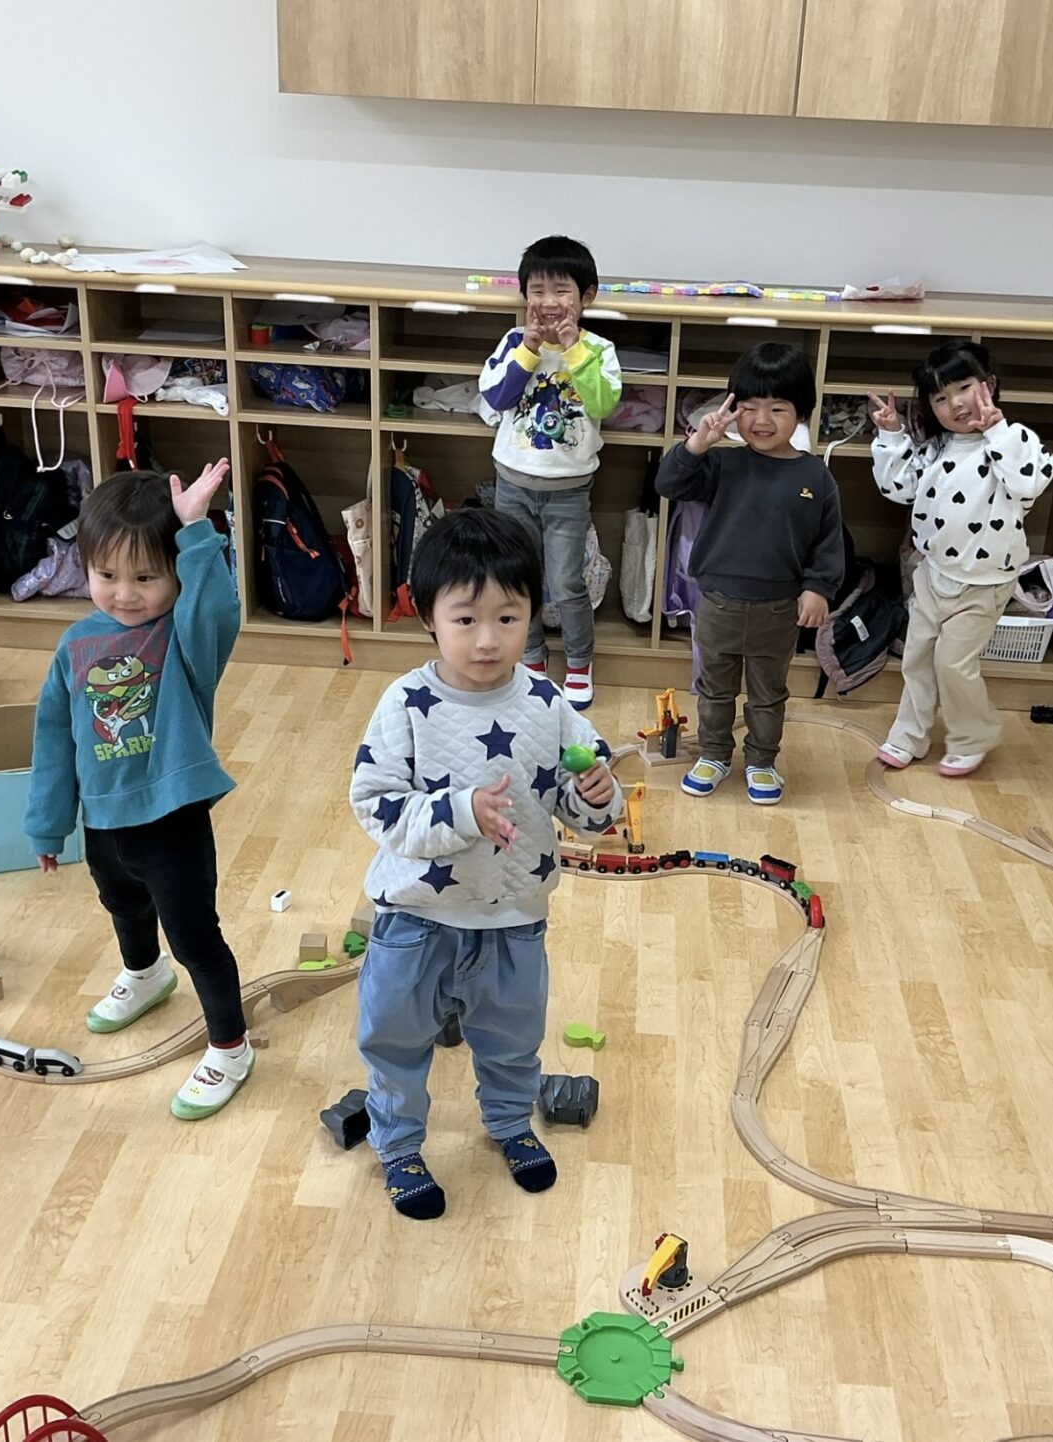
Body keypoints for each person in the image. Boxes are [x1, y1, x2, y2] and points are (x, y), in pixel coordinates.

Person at [349, 508, 619, 1220]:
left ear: (533, 613)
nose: (489, 638)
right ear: (428, 618)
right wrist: (462, 812)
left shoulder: (548, 703)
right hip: (417, 919)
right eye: (466, 619)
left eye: (508, 617)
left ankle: (508, 1124)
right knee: (395, 1039)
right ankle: (398, 1146)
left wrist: (597, 797)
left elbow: (580, 799)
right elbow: (376, 806)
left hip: (513, 918)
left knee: (512, 1041)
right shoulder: (406, 703)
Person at [24, 462, 252, 1120]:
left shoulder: (184, 636)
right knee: (121, 903)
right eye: (108, 575)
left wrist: (196, 531)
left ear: (175, 574)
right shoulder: (74, 644)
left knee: (196, 939)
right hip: (103, 821)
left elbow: (218, 608)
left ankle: (231, 1047)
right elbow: (53, 739)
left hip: (171, 819)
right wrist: (47, 823)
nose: (125, 594)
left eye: (147, 577)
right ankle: (146, 974)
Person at [654, 342, 844, 806]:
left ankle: (761, 760)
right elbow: (669, 483)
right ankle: (714, 753)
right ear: (733, 409)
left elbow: (828, 541)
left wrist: (818, 588)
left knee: (767, 692)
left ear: (801, 414)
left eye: (777, 408)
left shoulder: (816, 477)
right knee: (714, 688)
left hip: (778, 608)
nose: (762, 419)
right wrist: (697, 445)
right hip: (718, 601)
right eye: (750, 407)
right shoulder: (722, 462)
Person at [870, 339, 1053, 777]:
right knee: (917, 657)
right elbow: (898, 488)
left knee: (952, 663)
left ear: (989, 384)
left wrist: (998, 431)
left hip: (986, 582)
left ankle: (973, 736)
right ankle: (909, 734)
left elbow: (1029, 482)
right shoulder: (935, 449)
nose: (955, 403)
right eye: (940, 397)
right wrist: (891, 434)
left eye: (963, 388)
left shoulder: (1015, 440)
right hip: (933, 575)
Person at [478, 235, 622, 709]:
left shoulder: (599, 349)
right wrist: (529, 348)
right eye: (537, 291)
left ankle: (579, 662)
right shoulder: (513, 343)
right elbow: (497, 398)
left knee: (565, 584)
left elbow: (602, 403)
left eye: (562, 291)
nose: (549, 302)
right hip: (513, 484)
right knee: (518, 578)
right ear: (524, 298)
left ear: (587, 297)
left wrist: (573, 348)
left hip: (568, 491)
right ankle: (531, 658)